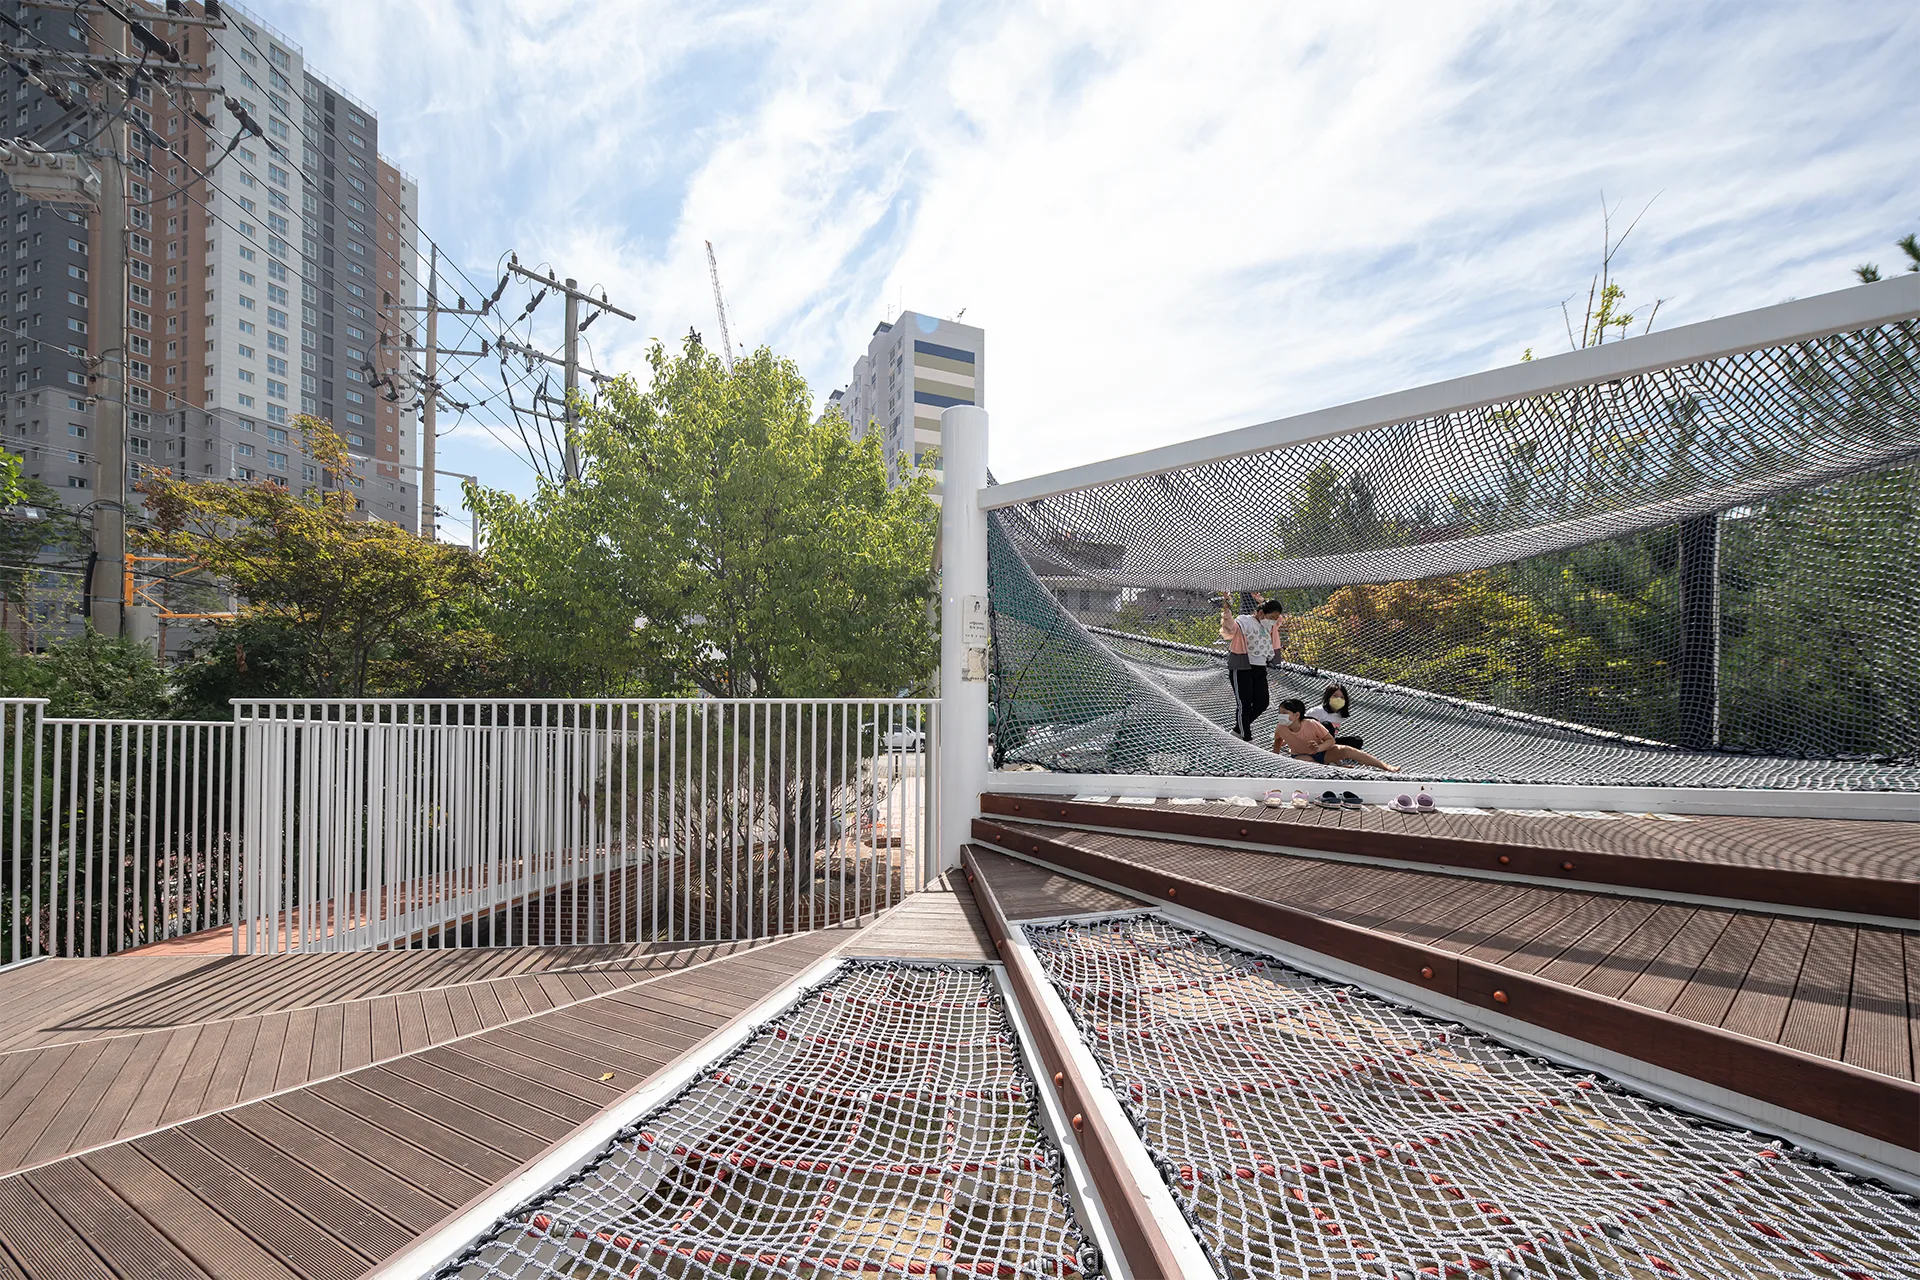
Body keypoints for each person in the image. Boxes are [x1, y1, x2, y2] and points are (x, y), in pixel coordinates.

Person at [1220, 595, 1285, 741]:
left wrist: (1262, 601)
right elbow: (1229, 629)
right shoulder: (1245, 621)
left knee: (1262, 702)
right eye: (1271, 617)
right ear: (1261, 613)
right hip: (1243, 667)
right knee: (1244, 703)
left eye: (1275, 618)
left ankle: (1237, 730)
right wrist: (1227, 609)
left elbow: (1279, 620)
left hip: (1260, 667)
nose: (1274, 620)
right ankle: (1246, 738)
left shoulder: (1268, 625)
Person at [1272, 698, 1398, 771]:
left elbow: (1330, 740)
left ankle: (1385, 766)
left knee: (1346, 749)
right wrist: (1274, 758)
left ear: (1297, 715)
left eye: (1285, 712)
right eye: (1280, 712)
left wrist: (1318, 748)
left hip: (1322, 753)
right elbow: (1277, 740)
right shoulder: (1281, 727)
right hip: (1300, 756)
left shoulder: (1310, 724)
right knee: (1306, 762)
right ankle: (1337, 769)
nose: (1281, 715)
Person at [1306, 683, 1364, 749]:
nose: (1339, 699)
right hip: (1315, 743)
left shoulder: (1340, 715)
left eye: (1342, 697)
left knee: (1356, 741)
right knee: (1327, 725)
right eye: (1335, 696)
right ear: (1328, 697)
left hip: (1331, 742)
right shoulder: (1317, 711)